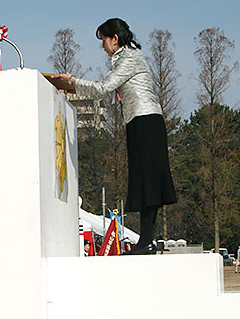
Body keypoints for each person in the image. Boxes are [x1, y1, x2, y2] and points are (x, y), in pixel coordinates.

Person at [53, 18, 177, 255]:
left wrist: (72, 82)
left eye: (104, 41)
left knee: (148, 180)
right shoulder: (126, 57)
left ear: (115, 39)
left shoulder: (129, 57)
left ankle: (147, 241)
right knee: (144, 180)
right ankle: (146, 240)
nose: (103, 47)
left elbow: (104, 87)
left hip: (145, 120)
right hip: (139, 121)